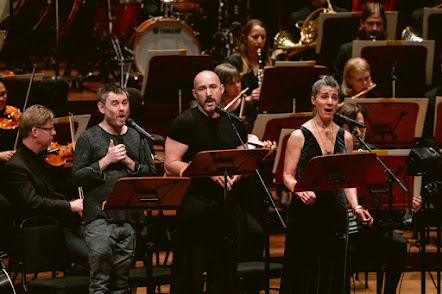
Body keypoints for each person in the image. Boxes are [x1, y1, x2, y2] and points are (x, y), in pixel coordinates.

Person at [281, 76, 373, 294]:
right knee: (307, 270)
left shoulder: (346, 137)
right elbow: (287, 175)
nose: (330, 102)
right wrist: (299, 190)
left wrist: (356, 206)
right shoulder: (298, 136)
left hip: (336, 210)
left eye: (334, 97)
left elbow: (348, 179)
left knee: (334, 269)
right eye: (324, 97)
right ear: (314, 100)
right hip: (307, 211)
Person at [165, 70, 248, 294]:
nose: (208, 94)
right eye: (202, 89)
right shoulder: (184, 122)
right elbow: (170, 164)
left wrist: (236, 175)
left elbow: (243, 161)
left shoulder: (235, 123)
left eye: (213, 88)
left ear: (222, 90)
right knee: (189, 275)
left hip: (226, 206)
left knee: (224, 274)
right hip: (195, 206)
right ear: (195, 94)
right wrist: (204, 171)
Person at [72, 84, 156, 293]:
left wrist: (128, 162)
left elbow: (152, 174)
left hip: (129, 218)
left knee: (122, 284)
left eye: (125, 103)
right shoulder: (88, 137)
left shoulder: (137, 136)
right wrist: (105, 161)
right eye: (115, 104)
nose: (122, 109)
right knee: (100, 283)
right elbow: (76, 178)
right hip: (99, 219)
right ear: (101, 108)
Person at [335, 102, 422, 294]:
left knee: (398, 244)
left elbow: (387, 203)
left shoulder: (374, 154)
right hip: (339, 230)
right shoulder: (332, 153)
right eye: (352, 126)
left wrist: (408, 207)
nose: (358, 131)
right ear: (340, 127)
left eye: (361, 125)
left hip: (368, 229)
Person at [3, 104, 88, 274]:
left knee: (111, 249)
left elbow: (59, 192)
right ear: (35, 132)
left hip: (66, 223)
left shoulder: (42, 159)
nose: (54, 133)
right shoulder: (16, 167)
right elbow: (32, 203)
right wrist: (71, 206)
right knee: (96, 257)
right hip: (46, 232)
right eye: (50, 129)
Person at [333, 2, 387, 84]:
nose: (374, 28)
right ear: (362, 23)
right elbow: (337, 84)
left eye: (379, 24)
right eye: (370, 24)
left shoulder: (390, 50)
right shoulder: (346, 51)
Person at [224, 19, 272, 102]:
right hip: (241, 112)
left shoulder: (270, 63)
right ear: (245, 38)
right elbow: (225, 97)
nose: (260, 41)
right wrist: (249, 98)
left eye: (263, 37)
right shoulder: (232, 62)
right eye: (255, 37)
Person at [213, 63, 258, 132]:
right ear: (221, 87)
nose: (237, 86)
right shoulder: (213, 108)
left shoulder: (247, 106)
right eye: (231, 83)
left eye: (238, 81)